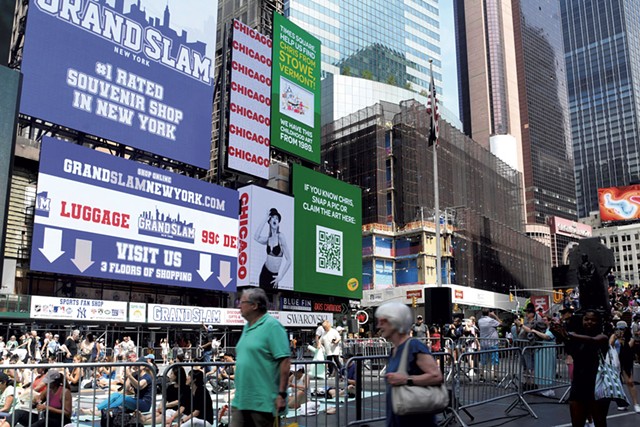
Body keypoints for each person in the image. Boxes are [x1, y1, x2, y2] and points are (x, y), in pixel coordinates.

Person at [375, 301, 443, 427]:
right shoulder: (394, 350)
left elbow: (436, 376)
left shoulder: (414, 346)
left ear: (395, 321)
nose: (379, 325)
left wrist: (406, 379)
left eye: (383, 321)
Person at [231, 288, 290, 427]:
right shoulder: (246, 327)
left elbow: (285, 362)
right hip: (241, 401)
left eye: (242, 302)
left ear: (254, 305)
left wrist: (282, 394)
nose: (239, 305)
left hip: (263, 403)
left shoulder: (273, 326)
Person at [552, 309, 610, 427]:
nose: (589, 322)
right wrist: (561, 335)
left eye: (593, 320)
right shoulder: (576, 339)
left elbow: (592, 341)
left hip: (597, 386)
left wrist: (569, 335)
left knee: (600, 422)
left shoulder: (602, 337)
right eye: (586, 319)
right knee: (577, 423)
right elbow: (572, 350)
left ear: (598, 322)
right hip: (578, 385)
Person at [254, 208, 292, 290]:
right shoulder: (268, 239)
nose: (275, 220)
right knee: (261, 299)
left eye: (277, 218)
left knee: (272, 300)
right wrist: (265, 218)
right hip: (264, 272)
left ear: (278, 223)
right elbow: (256, 237)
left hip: (274, 276)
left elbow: (289, 260)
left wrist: (281, 276)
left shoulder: (281, 237)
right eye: (273, 218)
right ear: (270, 221)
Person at [610, 320, 639, 412]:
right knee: (617, 383)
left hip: (625, 361)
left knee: (630, 382)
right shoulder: (614, 336)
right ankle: (622, 403)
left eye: (622, 329)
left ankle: (636, 403)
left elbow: (628, 348)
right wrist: (615, 338)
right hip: (615, 362)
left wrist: (623, 341)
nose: (621, 330)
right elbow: (610, 345)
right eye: (618, 328)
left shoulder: (630, 338)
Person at [478, 308, 501, 382]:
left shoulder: (480, 321)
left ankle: (481, 376)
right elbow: (500, 323)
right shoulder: (491, 320)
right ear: (489, 313)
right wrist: (494, 316)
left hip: (484, 344)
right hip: (493, 343)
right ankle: (495, 377)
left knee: (483, 361)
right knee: (495, 361)